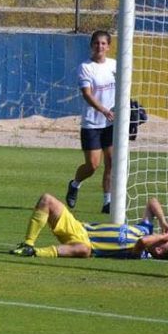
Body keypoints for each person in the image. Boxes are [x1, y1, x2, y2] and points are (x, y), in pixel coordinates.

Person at [10, 193, 168, 259]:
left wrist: (163, 236)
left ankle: (35, 252)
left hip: (85, 245)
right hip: (78, 228)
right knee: (47, 200)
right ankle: (28, 244)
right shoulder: (145, 229)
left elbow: (142, 243)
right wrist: (163, 222)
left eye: (164, 243)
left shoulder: (140, 255)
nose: (163, 237)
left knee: (84, 250)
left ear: (159, 251)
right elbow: (152, 202)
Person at [66, 30, 117, 214]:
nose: (100, 46)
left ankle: (107, 202)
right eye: (96, 43)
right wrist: (104, 110)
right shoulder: (85, 67)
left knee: (111, 162)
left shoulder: (114, 65)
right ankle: (75, 184)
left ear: (109, 47)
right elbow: (87, 94)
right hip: (92, 123)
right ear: (91, 45)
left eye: (103, 43)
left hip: (111, 123)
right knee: (93, 165)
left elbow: (122, 89)